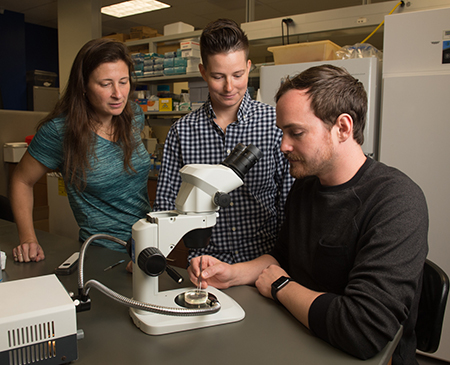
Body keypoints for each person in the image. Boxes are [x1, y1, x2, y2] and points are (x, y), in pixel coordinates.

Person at [188, 65, 428, 364]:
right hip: (299, 338)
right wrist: (232, 273)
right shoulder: (305, 187)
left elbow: (364, 330)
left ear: (342, 127)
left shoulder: (396, 201)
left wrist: (280, 287)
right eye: (283, 132)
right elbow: (282, 259)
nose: (283, 146)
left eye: (296, 133)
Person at [154, 19, 294, 264]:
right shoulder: (183, 131)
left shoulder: (274, 123)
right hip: (206, 263)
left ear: (249, 67)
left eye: (238, 75)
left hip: (263, 261)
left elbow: (288, 202)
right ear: (203, 72)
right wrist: (151, 248)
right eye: (218, 76)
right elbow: (166, 202)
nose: (230, 87)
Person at [11, 38, 151, 262]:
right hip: (102, 251)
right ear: (83, 86)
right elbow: (21, 181)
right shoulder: (60, 132)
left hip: (147, 243)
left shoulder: (133, 114)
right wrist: (28, 237)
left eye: (123, 82)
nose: (118, 94)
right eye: (106, 84)